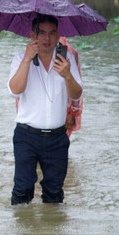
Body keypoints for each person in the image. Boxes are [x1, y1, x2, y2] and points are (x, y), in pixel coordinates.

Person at [7, 14, 83, 205]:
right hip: (26, 135)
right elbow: (15, 90)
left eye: (52, 33)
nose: (46, 39)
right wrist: (27, 59)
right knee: (22, 189)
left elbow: (76, 94)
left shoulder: (67, 60)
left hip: (57, 137)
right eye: (41, 33)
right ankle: (22, 233)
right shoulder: (20, 58)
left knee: (54, 192)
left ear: (59, 36)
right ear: (33, 35)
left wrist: (67, 75)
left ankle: (52, 233)